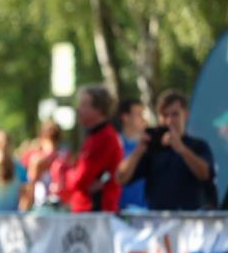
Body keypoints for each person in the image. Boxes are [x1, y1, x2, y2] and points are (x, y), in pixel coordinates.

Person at [117, 89, 215, 211]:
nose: (169, 121)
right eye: (164, 115)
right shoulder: (152, 149)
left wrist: (182, 149)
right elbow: (121, 178)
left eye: (175, 114)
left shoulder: (198, 145)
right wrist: (139, 150)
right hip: (159, 222)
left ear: (186, 114)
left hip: (192, 222)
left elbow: (205, 174)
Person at [67, 85, 123, 213]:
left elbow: (80, 179)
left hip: (95, 210)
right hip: (88, 209)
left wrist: (67, 173)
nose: (79, 109)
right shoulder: (95, 135)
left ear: (99, 109)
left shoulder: (104, 137)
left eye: (84, 105)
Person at [23, 121, 69, 209]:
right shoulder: (66, 156)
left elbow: (30, 187)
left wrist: (24, 209)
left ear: (41, 137)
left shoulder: (37, 160)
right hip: (63, 206)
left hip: (43, 207)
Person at [116, 98, 149, 210]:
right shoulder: (114, 144)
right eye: (139, 114)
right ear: (125, 117)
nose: (143, 119)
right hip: (120, 214)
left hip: (149, 212)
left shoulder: (151, 145)